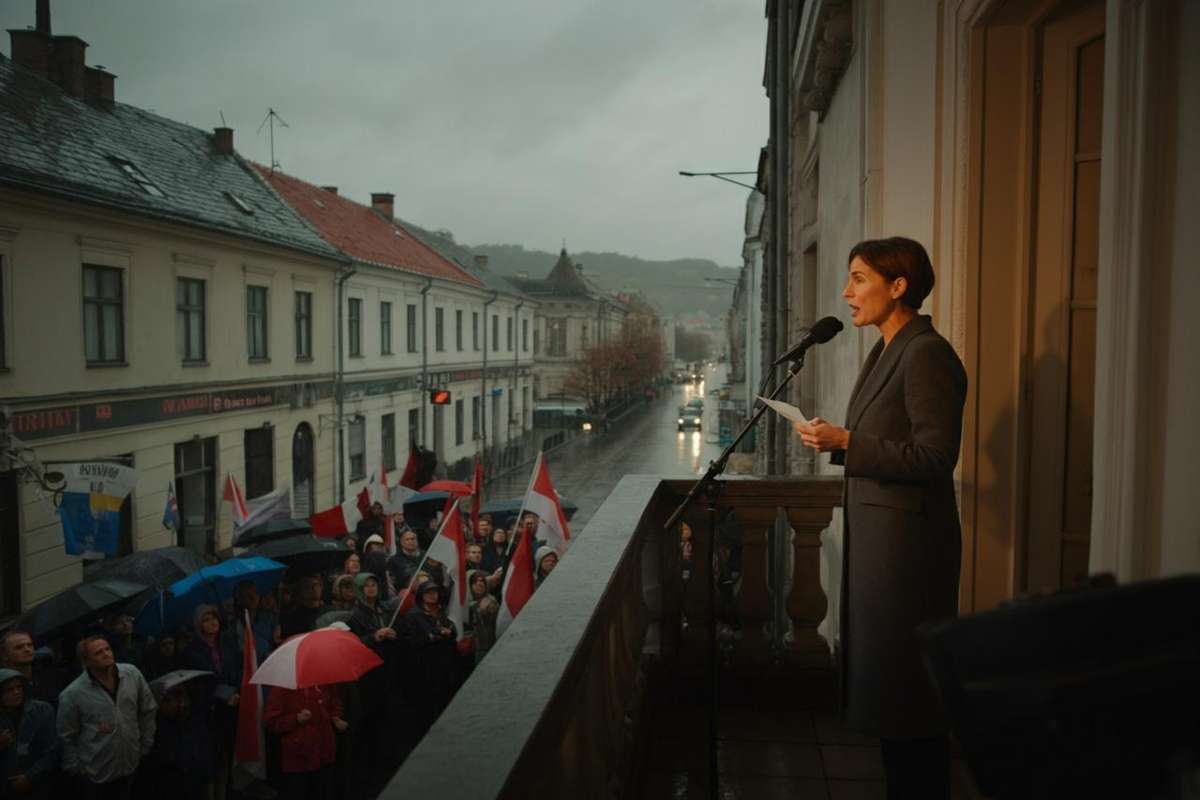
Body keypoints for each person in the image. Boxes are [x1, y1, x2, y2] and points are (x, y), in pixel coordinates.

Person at [794, 237, 966, 800]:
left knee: (910, 699)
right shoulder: (889, 348)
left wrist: (848, 440)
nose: (846, 292)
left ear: (898, 287)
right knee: (894, 697)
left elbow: (936, 457)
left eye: (859, 278)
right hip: (884, 546)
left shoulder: (926, 353)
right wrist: (842, 443)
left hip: (908, 556)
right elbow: (888, 441)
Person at [56, 636, 157, 799]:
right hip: (96, 772)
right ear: (86, 661)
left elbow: (148, 709)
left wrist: (145, 743)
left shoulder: (131, 673)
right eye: (98, 653)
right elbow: (66, 735)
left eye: (107, 649)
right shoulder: (72, 694)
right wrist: (77, 768)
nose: (106, 654)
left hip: (131, 762)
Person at [181, 605, 240, 800]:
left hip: (230, 710)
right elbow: (198, 682)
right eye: (206, 619)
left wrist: (236, 691)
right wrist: (222, 693)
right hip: (207, 713)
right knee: (208, 762)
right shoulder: (191, 651)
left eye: (214, 617)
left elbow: (237, 670)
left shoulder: (228, 643)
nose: (212, 622)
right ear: (198, 625)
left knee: (225, 759)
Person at [397, 581, 459, 737]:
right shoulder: (413, 616)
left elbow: (454, 633)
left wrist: (449, 632)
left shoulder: (442, 613)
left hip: (445, 666)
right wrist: (433, 636)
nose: (432, 595)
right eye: (428, 592)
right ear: (421, 596)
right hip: (425, 669)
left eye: (435, 592)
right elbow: (410, 642)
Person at [263, 684, 345, 800]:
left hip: (324, 753)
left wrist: (335, 717)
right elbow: (271, 722)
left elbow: (335, 703)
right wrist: (296, 718)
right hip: (299, 758)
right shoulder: (282, 688)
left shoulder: (326, 682)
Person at [144, 673, 214, 800]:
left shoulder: (196, 723)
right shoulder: (157, 729)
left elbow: (204, 756)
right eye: (174, 698)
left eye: (184, 697)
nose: (182, 704)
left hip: (194, 783)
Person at [0, 668, 58, 800]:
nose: (16, 692)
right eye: (9, 690)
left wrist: (29, 777)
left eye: (19, 687)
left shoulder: (42, 710)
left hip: (38, 784)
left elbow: (52, 750)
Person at [0, 632, 60, 709]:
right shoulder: (3, 683)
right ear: (4, 655)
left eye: (30, 645)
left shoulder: (49, 674)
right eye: (19, 647)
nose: (27, 649)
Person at [465, 571, 498, 665]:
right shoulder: (463, 603)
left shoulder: (490, 602)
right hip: (467, 649)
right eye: (475, 582)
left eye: (482, 582)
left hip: (485, 647)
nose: (479, 584)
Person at [385, 530, 423, 595]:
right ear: (402, 542)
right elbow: (391, 583)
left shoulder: (424, 556)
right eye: (407, 539)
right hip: (404, 595)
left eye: (413, 539)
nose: (410, 541)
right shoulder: (393, 560)